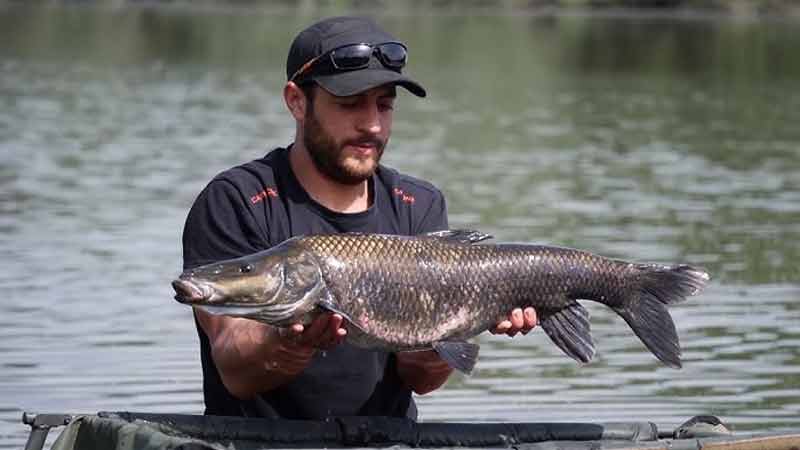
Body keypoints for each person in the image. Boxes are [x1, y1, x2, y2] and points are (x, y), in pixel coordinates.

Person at [180, 16, 538, 420]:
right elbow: (235, 367)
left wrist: (460, 324)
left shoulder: (416, 204)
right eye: (350, 104)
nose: (372, 124)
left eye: (384, 105)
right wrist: (291, 343)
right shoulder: (236, 200)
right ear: (296, 101)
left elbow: (420, 377)